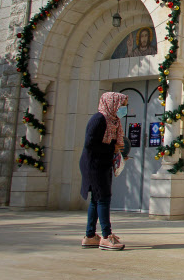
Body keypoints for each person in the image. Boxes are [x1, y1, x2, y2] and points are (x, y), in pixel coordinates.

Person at [79, 92, 128, 250]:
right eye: (122, 104)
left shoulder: (113, 121)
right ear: (112, 103)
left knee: (96, 199)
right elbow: (90, 144)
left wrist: (118, 154)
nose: (124, 108)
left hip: (103, 163)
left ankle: (90, 235)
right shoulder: (99, 119)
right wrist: (111, 148)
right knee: (104, 198)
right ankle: (107, 236)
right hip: (94, 164)